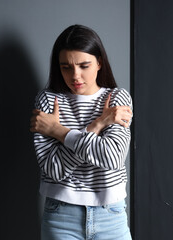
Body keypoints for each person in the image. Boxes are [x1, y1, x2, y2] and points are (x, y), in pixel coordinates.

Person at [30, 24, 133, 240]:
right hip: (61, 217)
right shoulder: (48, 100)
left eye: (83, 65)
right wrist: (96, 126)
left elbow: (112, 157)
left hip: (111, 215)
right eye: (66, 67)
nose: (75, 75)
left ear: (99, 63)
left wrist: (58, 130)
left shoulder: (117, 99)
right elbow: (54, 169)